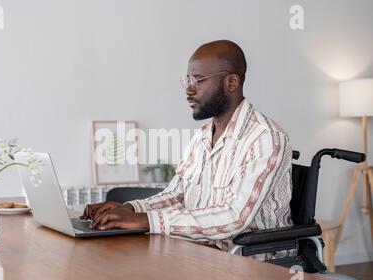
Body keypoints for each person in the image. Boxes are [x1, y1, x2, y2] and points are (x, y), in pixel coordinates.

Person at [81, 40, 293, 252]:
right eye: (188, 81)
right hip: (202, 252)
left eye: (198, 80)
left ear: (231, 83)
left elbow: (234, 217)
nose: (189, 90)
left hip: (252, 264)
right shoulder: (201, 136)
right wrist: (130, 209)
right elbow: (177, 195)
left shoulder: (265, 138)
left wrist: (147, 221)